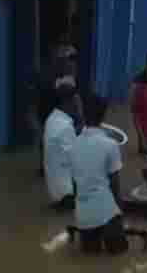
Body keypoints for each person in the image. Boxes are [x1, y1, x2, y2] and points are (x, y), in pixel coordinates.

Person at [70, 95, 128, 255]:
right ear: (103, 116)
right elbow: (115, 183)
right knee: (119, 256)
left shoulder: (73, 145)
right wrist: (119, 214)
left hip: (83, 216)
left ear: (83, 115)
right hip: (107, 212)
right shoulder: (110, 145)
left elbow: (75, 184)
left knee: (90, 257)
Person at [33, 44, 78, 176]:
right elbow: (34, 105)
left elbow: (74, 99)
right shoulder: (46, 76)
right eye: (69, 59)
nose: (72, 63)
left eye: (73, 59)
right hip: (47, 114)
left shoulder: (70, 75)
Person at [43, 82, 80, 210]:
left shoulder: (52, 119)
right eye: (76, 100)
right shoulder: (64, 126)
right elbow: (76, 161)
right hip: (67, 194)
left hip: (56, 191)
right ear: (67, 102)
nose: (78, 104)